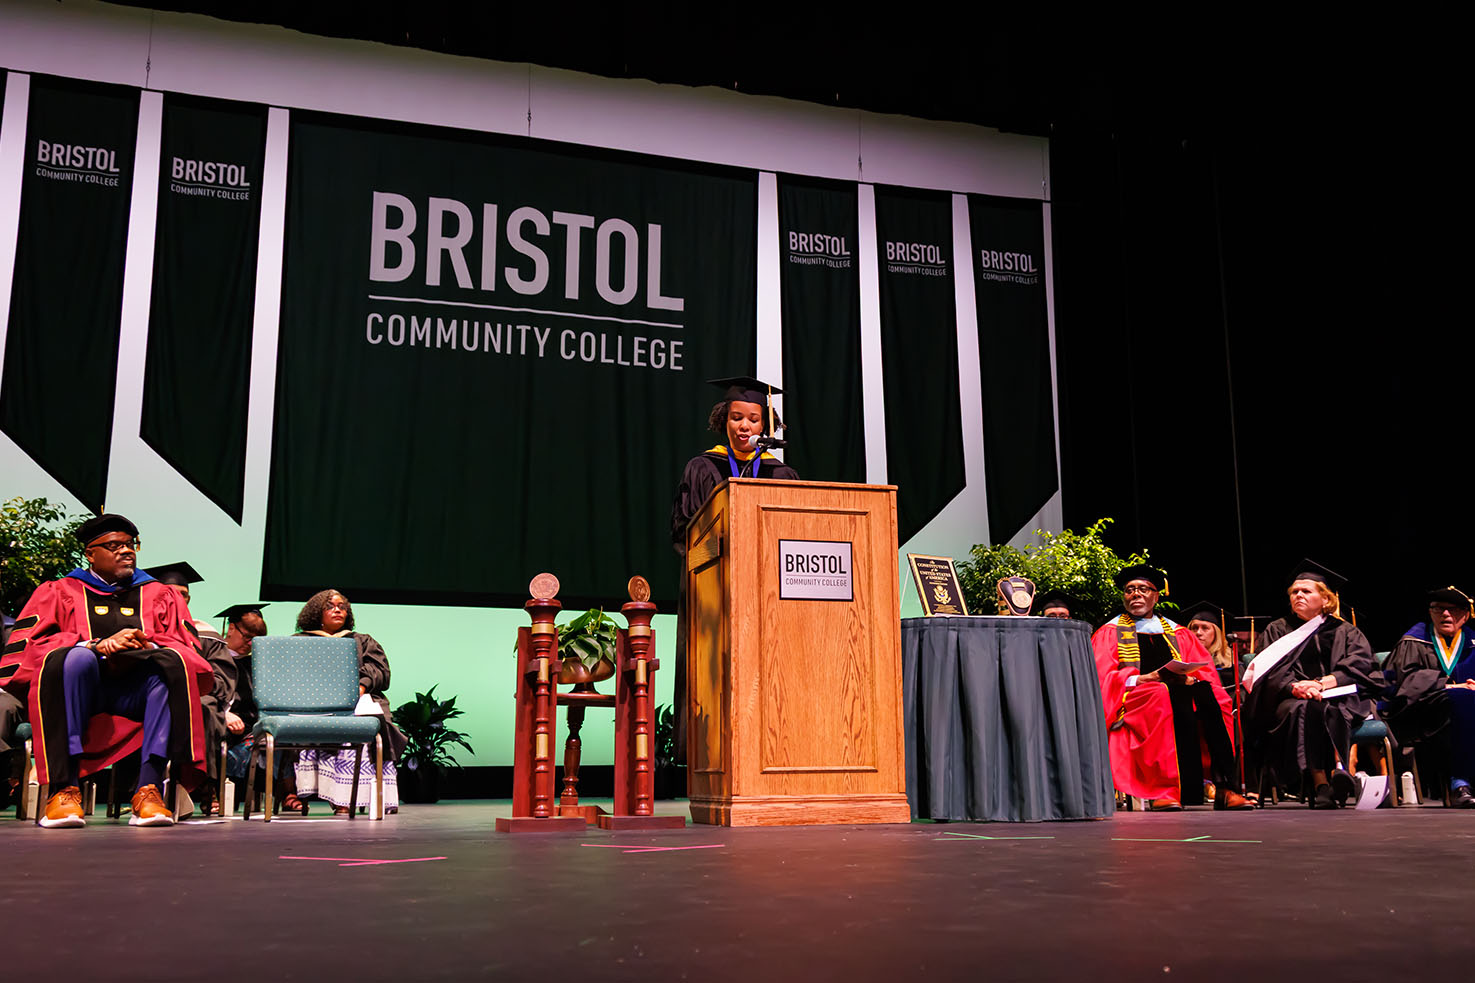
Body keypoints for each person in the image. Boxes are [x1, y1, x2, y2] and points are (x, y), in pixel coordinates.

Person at [0, 514, 213, 827]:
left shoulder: (159, 595)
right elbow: (30, 648)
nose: (126, 551)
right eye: (114, 546)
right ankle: (64, 791)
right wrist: (94, 645)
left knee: (169, 668)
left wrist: (146, 644)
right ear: (90, 553)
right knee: (74, 659)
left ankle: (148, 790)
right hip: (80, 692)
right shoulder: (58, 592)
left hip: (135, 694)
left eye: (130, 545)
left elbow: (189, 651)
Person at [669, 376, 799, 755]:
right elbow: (682, 531)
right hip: (713, 595)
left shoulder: (782, 475)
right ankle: (708, 752)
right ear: (723, 420)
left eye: (754, 420)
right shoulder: (702, 468)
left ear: (766, 425)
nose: (745, 427)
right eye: (737, 417)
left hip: (767, 596)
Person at [1091, 564, 1250, 810]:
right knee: (1161, 693)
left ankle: (1225, 787)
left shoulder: (1178, 632)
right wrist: (1139, 679)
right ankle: (1165, 788)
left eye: (1143, 589)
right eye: (1129, 590)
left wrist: (1191, 679)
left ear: (1156, 595)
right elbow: (1101, 676)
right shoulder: (1109, 632)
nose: (1136, 594)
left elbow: (1204, 669)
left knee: (1214, 696)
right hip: (1136, 695)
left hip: (1178, 690)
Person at [1242, 560, 1380, 808]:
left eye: (1306, 591)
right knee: (1308, 709)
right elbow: (1268, 671)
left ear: (1325, 599)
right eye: (1294, 592)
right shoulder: (1278, 630)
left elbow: (1361, 665)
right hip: (1290, 699)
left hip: (1340, 695)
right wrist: (1296, 687)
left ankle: (1337, 775)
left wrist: (1324, 683)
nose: (1298, 596)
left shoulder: (1346, 631)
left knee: (1334, 707)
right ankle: (1323, 783)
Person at [293, 589, 406, 815]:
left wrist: (361, 685)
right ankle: (340, 799)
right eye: (331, 606)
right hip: (318, 706)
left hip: (361, 702)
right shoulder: (301, 642)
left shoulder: (362, 641)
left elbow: (381, 672)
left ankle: (367, 797)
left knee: (365, 722)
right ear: (317, 612)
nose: (338, 610)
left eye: (342, 606)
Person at [1386, 586, 1475, 806]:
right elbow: (1403, 682)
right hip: (1420, 714)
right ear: (1430, 612)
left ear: (1466, 615)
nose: (1445, 614)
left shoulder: (1473, 642)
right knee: (1461, 699)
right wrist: (1450, 686)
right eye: (1439, 609)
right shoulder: (1414, 641)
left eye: (1452, 610)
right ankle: (1459, 783)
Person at [1182, 600, 1239, 691]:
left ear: (1216, 633)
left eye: (1205, 628)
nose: (1198, 633)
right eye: (1195, 628)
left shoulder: (1231, 665)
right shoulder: (1182, 659)